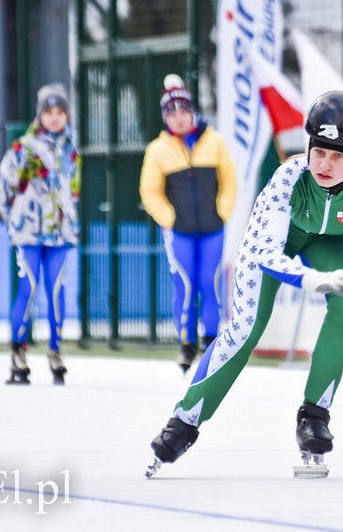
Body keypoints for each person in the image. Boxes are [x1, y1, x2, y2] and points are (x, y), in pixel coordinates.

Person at [144, 90, 343, 479]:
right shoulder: (287, 179)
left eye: (338, 155)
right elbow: (266, 256)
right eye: (318, 151)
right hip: (279, 240)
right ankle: (184, 422)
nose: (324, 163)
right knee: (246, 326)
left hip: (333, 238)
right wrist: (316, 279)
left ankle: (314, 416)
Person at [139, 74, 237, 373]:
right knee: (184, 285)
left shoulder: (215, 141)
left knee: (210, 284)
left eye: (183, 111)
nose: (179, 118)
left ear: (192, 111)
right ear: (165, 117)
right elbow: (149, 191)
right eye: (172, 113)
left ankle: (211, 342)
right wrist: (168, 218)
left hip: (212, 228)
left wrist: (222, 211)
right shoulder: (157, 149)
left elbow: (229, 180)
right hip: (179, 232)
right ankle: (186, 345)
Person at [0, 82, 81, 386]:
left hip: (59, 235)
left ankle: (56, 351)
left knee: (56, 291)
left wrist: (68, 219)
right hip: (29, 234)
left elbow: (74, 190)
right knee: (28, 288)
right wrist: (15, 220)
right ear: (40, 115)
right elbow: (2, 186)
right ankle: (18, 354)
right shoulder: (24, 148)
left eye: (60, 112)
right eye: (49, 111)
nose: (55, 117)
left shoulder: (72, 150)